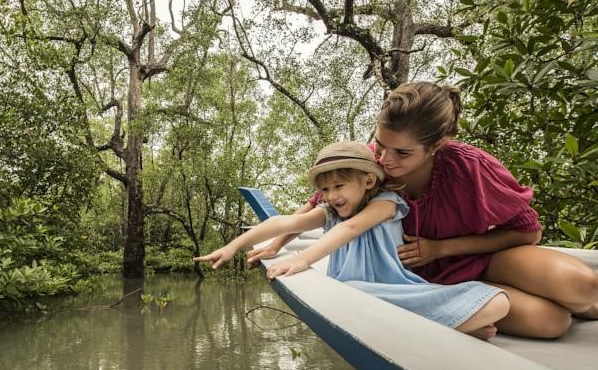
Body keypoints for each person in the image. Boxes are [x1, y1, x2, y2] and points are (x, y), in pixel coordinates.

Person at [249, 82, 598, 339]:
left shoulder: (470, 168)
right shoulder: (369, 164)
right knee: (552, 323)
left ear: (437, 146)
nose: (385, 159)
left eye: (402, 153)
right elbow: (319, 204)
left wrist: (442, 248)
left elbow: (528, 232)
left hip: (482, 257)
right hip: (421, 282)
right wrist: (278, 243)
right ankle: (480, 297)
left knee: (583, 286)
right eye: (381, 145)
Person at [195, 141, 510, 340]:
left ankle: (451, 323)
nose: (332, 196)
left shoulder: (387, 203)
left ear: (368, 180)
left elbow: (352, 229)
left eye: (340, 186)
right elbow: (287, 221)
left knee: (497, 301)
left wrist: (301, 259)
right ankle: (455, 325)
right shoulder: (333, 211)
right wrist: (233, 245)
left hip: (391, 290)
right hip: (353, 294)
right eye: (326, 189)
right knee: (346, 298)